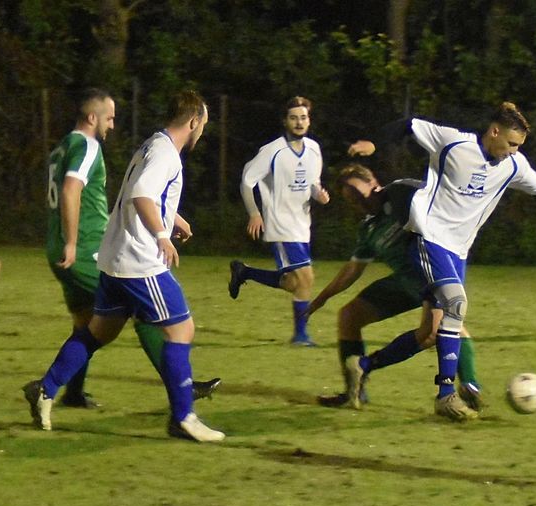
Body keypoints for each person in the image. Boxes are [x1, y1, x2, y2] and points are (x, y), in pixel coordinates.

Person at [348, 102, 536, 421]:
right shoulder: (453, 142)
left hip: (458, 251)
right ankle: (446, 393)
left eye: (519, 147)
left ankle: (363, 366)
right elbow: (407, 124)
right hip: (429, 238)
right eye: (512, 143)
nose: (514, 151)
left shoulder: (512, 164)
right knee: (457, 305)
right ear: (495, 131)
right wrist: (374, 143)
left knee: (430, 334)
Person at [24, 90, 225, 442]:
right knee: (182, 330)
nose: (202, 132)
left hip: (114, 256)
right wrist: (162, 234)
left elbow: (137, 191)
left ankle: (46, 388)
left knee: (99, 331)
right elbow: (142, 195)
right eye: (203, 125)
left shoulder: (152, 145)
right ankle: (183, 417)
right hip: (140, 260)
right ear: (193, 122)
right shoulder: (167, 155)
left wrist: (172, 217)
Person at [307, 163, 480, 410]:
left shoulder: (402, 195)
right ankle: (353, 393)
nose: (357, 202)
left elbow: (439, 199)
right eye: (351, 200)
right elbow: (353, 270)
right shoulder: (369, 228)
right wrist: (321, 298)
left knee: (441, 330)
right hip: (404, 283)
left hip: (433, 276)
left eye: (358, 193)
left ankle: (471, 388)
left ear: (373, 182)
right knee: (349, 316)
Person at [229, 96, 330, 346]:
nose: (299, 122)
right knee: (307, 278)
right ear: (285, 121)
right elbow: (247, 180)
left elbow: (313, 183)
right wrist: (254, 212)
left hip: (302, 224)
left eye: (303, 117)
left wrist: (320, 195)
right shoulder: (272, 150)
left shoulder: (314, 149)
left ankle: (245, 272)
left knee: (292, 283)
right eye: (294, 117)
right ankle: (301, 336)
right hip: (280, 224)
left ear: (309, 121)